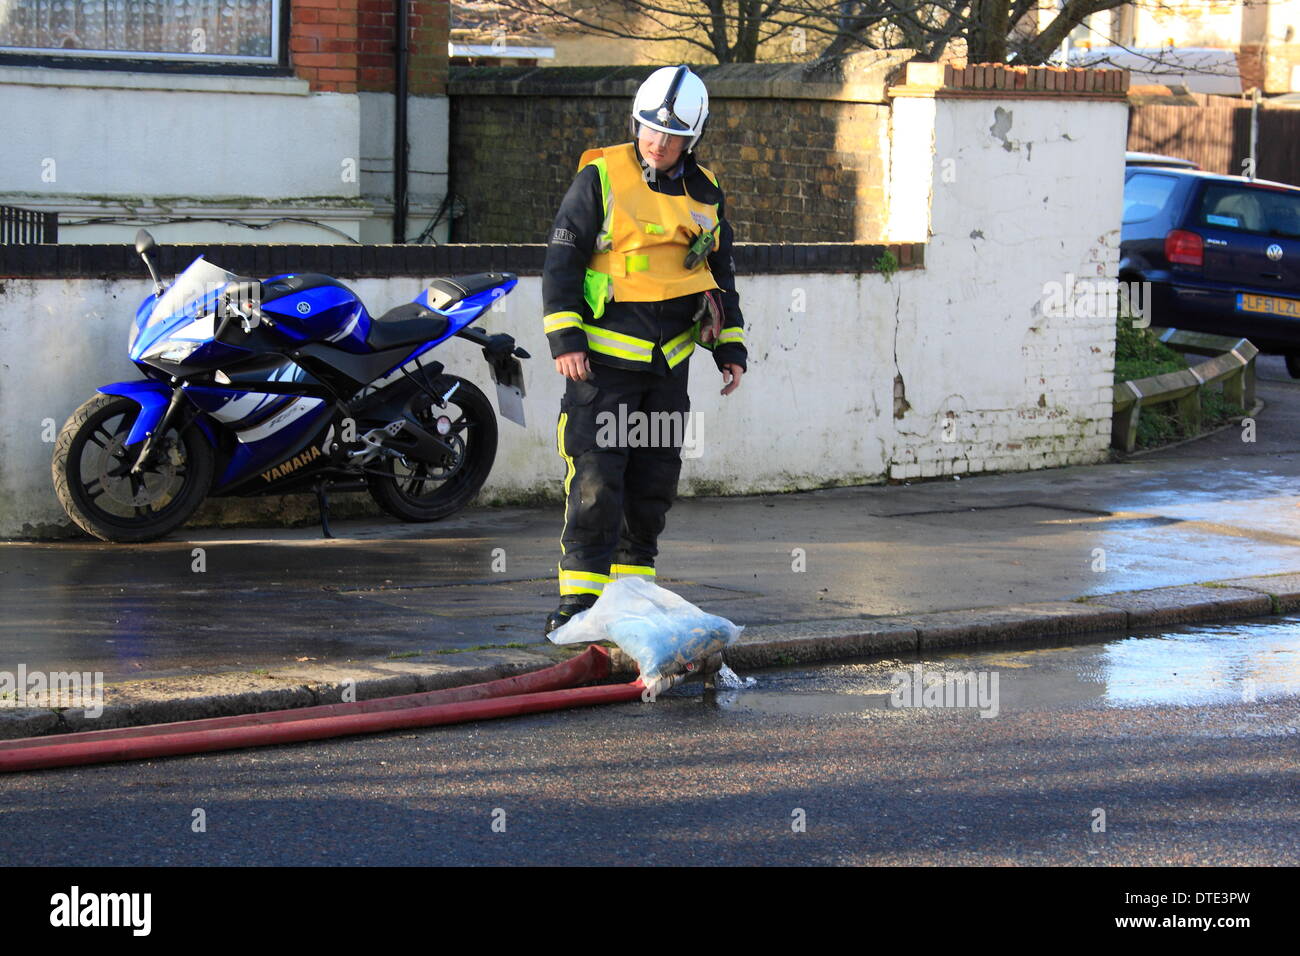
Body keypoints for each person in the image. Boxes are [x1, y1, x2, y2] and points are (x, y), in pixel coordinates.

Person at [541, 64, 748, 636]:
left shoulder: (706, 194)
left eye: (672, 134)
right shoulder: (599, 178)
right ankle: (580, 603)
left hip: (667, 367)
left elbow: (720, 276)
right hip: (601, 365)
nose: (657, 142)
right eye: (649, 129)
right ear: (636, 123)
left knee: (652, 483)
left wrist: (730, 346)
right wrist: (565, 338)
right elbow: (562, 261)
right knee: (596, 479)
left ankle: (633, 594)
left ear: (694, 136)